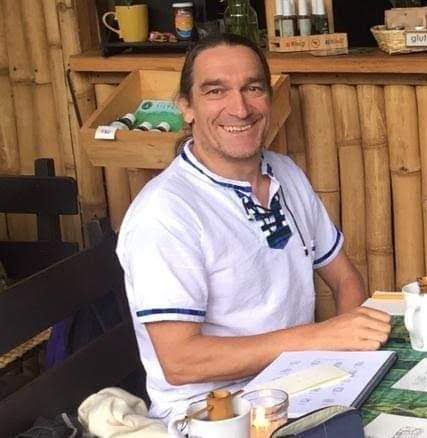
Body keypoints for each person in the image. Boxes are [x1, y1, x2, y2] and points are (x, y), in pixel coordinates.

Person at [116, 33, 391, 422]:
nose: (240, 108)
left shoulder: (285, 173)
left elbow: (345, 280)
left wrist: (346, 360)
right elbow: (180, 361)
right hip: (213, 413)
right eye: (216, 91)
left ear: (269, 99)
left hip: (300, 384)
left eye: (253, 88)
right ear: (186, 107)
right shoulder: (164, 213)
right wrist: (318, 337)